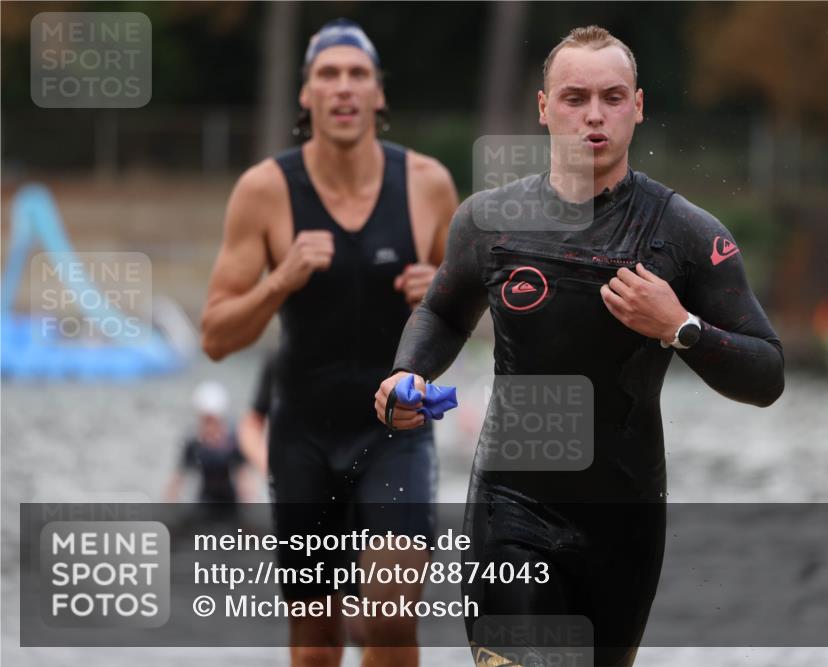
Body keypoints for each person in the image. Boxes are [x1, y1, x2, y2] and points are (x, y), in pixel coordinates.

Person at [374, 25, 784, 667]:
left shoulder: (683, 233)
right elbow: (443, 313)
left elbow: (767, 374)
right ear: (543, 108)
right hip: (511, 506)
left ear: (639, 106)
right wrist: (406, 374)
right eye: (574, 97)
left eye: (613, 97)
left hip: (625, 518)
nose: (594, 114)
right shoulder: (488, 221)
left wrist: (680, 327)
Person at [200, 18, 459, 667]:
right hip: (303, 436)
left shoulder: (429, 184)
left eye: (358, 74)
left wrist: (440, 297)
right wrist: (280, 280)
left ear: (378, 95)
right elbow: (214, 336)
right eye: (328, 74)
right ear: (305, 96)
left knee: (390, 613)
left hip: (397, 428)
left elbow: (472, 321)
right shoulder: (264, 190)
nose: (343, 88)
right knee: (317, 640)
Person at [165, 381, 253, 504]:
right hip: (204, 500)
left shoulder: (233, 443)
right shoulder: (193, 443)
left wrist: (248, 507)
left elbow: (243, 480)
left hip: (230, 503)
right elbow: (177, 479)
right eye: (205, 421)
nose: (209, 427)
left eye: (213, 421)